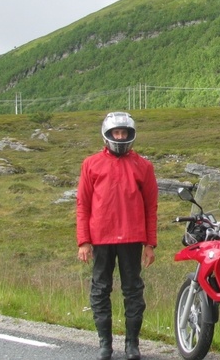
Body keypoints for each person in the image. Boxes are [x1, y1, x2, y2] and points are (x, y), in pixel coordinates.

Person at [77, 112, 158, 360]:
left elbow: (150, 207)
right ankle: (105, 345)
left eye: (124, 133)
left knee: (133, 291)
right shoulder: (90, 164)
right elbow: (83, 204)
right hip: (100, 238)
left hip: (132, 238)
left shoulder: (143, 166)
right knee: (100, 290)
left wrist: (150, 244)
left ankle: (132, 345)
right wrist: (83, 241)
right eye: (116, 133)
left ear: (130, 135)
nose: (120, 137)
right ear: (108, 134)